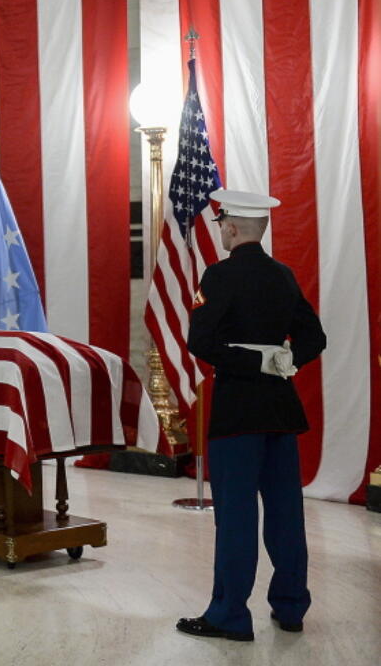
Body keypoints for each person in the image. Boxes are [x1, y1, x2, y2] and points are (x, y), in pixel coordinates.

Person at [176, 189, 327, 643]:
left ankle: (230, 615)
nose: (220, 230)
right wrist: (285, 360)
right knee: (285, 513)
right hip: (280, 411)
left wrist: (251, 362)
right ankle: (291, 607)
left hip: (238, 410)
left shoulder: (219, 276)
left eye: (222, 224)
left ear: (233, 227)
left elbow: (199, 342)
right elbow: (314, 337)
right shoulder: (283, 276)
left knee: (238, 515)